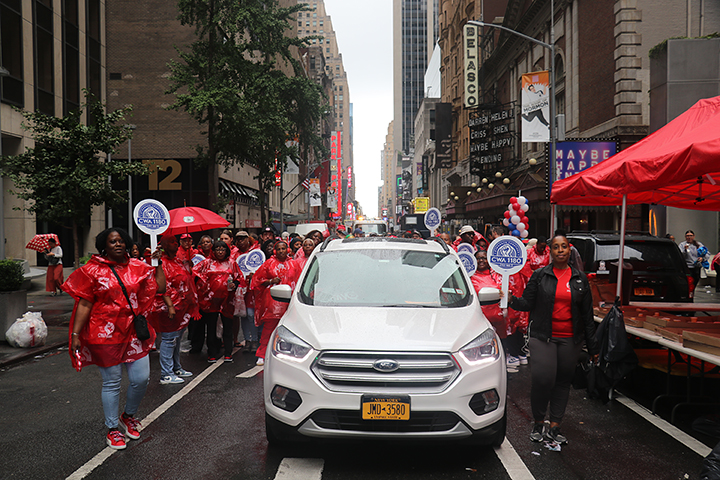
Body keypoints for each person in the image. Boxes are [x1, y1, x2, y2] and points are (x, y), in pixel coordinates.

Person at [63, 227, 166, 450]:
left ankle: (128, 416)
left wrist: (158, 263)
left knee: (141, 379)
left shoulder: (138, 267)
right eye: (112, 242)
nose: (117, 244)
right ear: (104, 246)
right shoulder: (92, 271)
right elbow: (84, 303)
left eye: (120, 240)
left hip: (134, 333)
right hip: (104, 333)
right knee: (112, 382)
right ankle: (112, 429)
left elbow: (159, 288)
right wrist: (75, 334)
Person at [507, 234, 599, 445]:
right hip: (543, 337)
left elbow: (587, 315)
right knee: (543, 379)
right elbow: (527, 303)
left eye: (563, 246)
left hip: (570, 340)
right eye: (556, 247)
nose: (560, 250)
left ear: (569, 250)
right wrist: (511, 299)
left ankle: (555, 426)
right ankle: (539, 422)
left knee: (562, 382)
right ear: (551, 251)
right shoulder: (540, 276)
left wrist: (593, 347)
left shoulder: (579, 278)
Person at [148, 234, 200, 385]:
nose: (176, 244)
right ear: (164, 245)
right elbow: (163, 286)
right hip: (168, 307)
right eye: (172, 242)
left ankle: (176, 367)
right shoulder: (161, 263)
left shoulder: (177, 261)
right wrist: (170, 306)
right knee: (169, 339)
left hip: (182, 307)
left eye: (176, 241)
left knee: (177, 339)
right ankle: (166, 373)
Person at [192, 240, 245, 363]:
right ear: (213, 251)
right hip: (211, 301)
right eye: (218, 249)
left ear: (227, 251)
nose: (220, 252)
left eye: (223, 249)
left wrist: (235, 284)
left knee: (228, 326)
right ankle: (211, 353)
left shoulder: (232, 263)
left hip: (227, 300)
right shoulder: (206, 263)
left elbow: (238, 277)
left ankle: (228, 353)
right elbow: (195, 274)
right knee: (211, 328)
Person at [251, 241, 300, 366]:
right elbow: (257, 280)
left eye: (283, 248)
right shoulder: (269, 263)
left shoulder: (294, 264)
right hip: (272, 303)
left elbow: (300, 281)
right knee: (268, 330)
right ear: (274, 251)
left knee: (290, 330)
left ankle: (290, 356)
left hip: (289, 303)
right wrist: (271, 281)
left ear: (287, 250)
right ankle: (262, 355)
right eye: (278, 249)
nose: (281, 251)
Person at [470, 250, 506, 340]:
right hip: (477, 318)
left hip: (497, 319)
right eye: (478, 258)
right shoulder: (468, 276)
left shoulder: (498, 275)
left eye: (484, 258)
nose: (481, 260)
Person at [188, 234, 215, 354]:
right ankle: (196, 345)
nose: (205, 244)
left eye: (208, 242)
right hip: (197, 293)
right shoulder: (194, 256)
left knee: (212, 322)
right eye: (203, 242)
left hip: (211, 293)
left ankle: (213, 346)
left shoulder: (215, 257)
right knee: (197, 322)